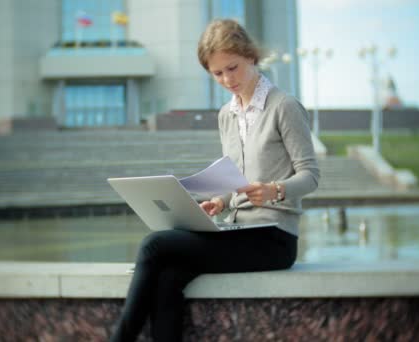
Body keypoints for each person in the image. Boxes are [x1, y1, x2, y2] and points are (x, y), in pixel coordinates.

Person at [111, 18, 319, 342]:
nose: (227, 79)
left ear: (251, 56)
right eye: (217, 73)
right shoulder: (226, 114)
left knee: (155, 244)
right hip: (237, 231)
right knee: (167, 278)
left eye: (232, 68)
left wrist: (276, 190)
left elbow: (310, 175)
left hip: (274, 239)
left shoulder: (284, 106)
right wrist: (220, 201)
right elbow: (235, 177)